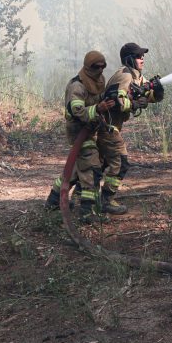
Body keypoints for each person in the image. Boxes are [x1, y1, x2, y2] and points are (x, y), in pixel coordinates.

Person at [44, 50, 116, 222]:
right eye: (96, 67)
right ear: (88, 67)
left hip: (90, 131)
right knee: (92, 169)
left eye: (103, 66)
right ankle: (87, 212)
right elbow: (77, 112)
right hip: (78, 133)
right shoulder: (77, 86)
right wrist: (98, 108)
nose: (100, 70)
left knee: (75, 170)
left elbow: (99, 99)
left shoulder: (99, 81)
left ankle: (53, 201)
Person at [96, 42, 164, 215]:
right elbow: (116, 101)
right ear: (129, 59)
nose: (142, 59)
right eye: (138, 56)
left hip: (111, 127)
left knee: (98, 164)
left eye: (143, 56)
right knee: (120, 162)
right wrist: (134, 103)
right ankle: (106, 200)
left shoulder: (137, 77)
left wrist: (157, 91)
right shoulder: (125, 75)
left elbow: (150, 96)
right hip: (107, 127)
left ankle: (75, 198)